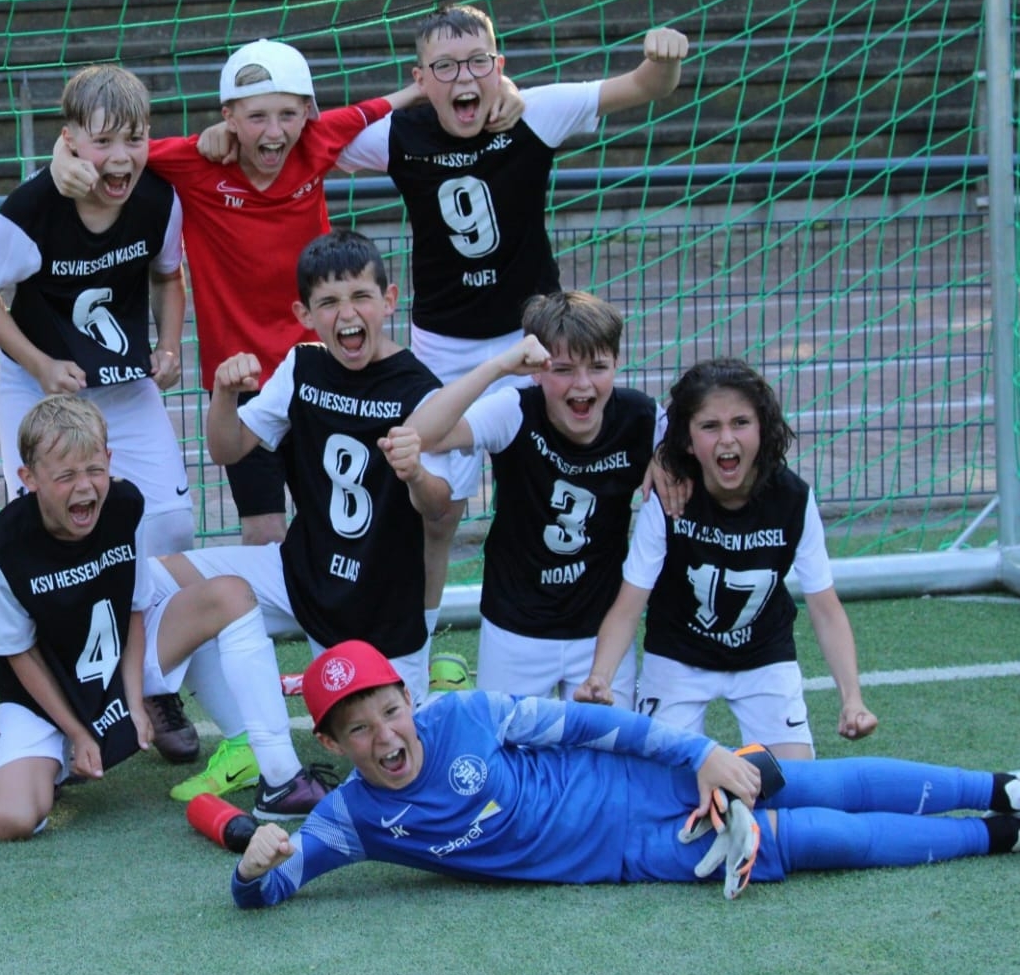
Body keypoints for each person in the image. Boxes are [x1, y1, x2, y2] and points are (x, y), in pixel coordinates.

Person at [50, 40, 499, 547]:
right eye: (257, 116)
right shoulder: (195, 161)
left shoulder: (318, 141)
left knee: (337, 516)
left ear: (308, 113)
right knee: (263, 530)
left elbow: (397, 99)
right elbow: (117, 149)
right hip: (240, 378)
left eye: (288, 114)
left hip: (317, 369)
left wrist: (498, 88)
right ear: (228, 117)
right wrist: (61, 158)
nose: (274, 131)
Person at [338, 5, 691, 643]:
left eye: (478, 63)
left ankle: (581, 625)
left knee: (562, 479)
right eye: (444, 68)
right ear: (420, 78)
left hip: (539, 341)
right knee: (435, 510)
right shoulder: (397, 133)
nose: (463, 78)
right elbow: (307, 139)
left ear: (499, 66)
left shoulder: (535, 112)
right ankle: (419, 644)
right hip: (445, 347)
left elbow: (644, 86)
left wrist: (664, 59)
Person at [164, 230, 543, 821]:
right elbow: (227, 449)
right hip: (301, 573)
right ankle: (255, 749)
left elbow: (440, 510)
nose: (347, 314)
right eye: (329, 302)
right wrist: (223, 394)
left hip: (381, 607)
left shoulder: (420, 388)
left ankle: (429, 700)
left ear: (389, 300)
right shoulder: (302, 365)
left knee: (399, 768)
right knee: (162, 583)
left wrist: (414, 475)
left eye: (361, 297)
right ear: (304, 314)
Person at [231, 639, 1020, 908]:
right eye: (358, 730)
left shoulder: (469, 713)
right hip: (635, 853)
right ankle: (996, 836)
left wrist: (698, 754)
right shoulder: (349, 819)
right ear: (332, 743)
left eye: (389, 711)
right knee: (813, 842)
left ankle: (997, 787)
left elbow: (593, 725)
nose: (385, 737)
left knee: (812, 782)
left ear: (408, 698)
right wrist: (251, 870)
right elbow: (269, 892)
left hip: (649, 782)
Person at [0, 65, 198, 761]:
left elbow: (168, 275)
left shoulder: (157, 199)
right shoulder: (33, 208)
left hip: (122, 386)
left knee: (169, 526)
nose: (121, 158)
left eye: (134, 138)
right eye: (103, 141)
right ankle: (59, 695)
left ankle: (151, 683)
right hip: (41, 387)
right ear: (69, 139)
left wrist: (169, 344)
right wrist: (38, 364)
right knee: (44, 534)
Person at [0, 395, 275, 839]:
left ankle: (272, 760)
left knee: (228, 594)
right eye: (65, 476)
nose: (85, 487)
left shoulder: (125, 504)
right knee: (10, 819)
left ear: (110, 460)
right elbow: (19, 654)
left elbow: (135, 609)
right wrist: (78, 732)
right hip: (45, 694)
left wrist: (134, 702)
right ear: (29, 478)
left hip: (116, 666)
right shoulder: (1, 545)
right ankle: (59, 755)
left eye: (94, 470)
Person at [573, 358, 877, 758]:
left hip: (763, 657)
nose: (727, 439)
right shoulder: (669, 499)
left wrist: (852, 699)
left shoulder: (792, 498)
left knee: (793, 782)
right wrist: (600, 676)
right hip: (678, 657)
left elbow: (826, 607)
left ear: (763, 428)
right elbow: (629, 605)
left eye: (741, 422)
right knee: (666, 784)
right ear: (686, 439)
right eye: (710, 426)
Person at [405, 290, 668, 708]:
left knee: (607, 746)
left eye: (598, 367)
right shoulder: (514, 410)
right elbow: (419, 434)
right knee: (507, 743)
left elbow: (704, 447)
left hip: (601, 632)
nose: (583, 384)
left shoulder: (643, 418)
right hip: (516, 628)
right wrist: (498, 366)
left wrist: (668, 457)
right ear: (536, 372)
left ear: (617, 363)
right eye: (563, 369)